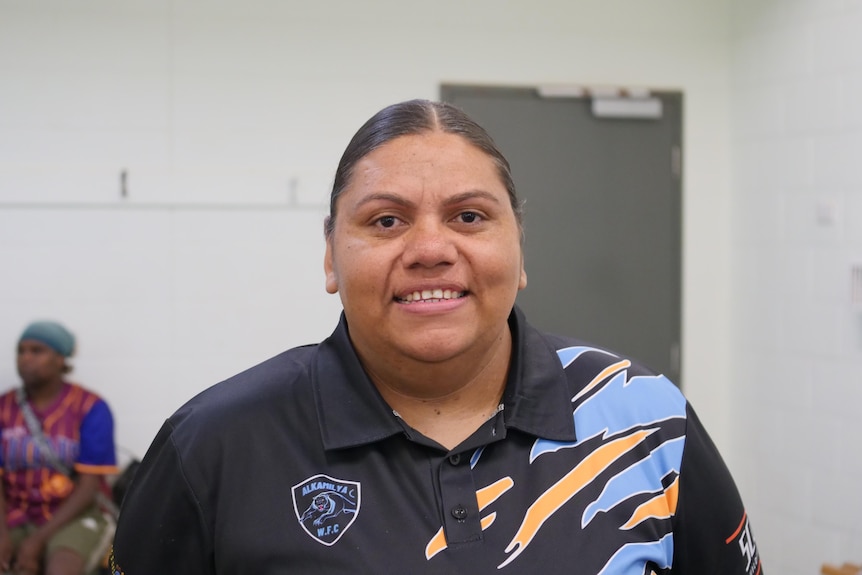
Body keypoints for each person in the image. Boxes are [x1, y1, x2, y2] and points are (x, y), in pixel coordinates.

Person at [110, 99, 764, 574]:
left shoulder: (650, 421)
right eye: (386, 219)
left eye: (469, 216)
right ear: (331, 257)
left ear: (519, 248)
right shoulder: (214, 446)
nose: (430, 248)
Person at [0, 321, 118, 575]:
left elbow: (89, 486)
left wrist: (37, 541)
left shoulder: (90, 408)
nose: (25, 358)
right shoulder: (4, 407)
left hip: (72, 516)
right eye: (21, 351)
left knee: (63, 568)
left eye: (36, 351)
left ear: (60, 359)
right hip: (14, 515)